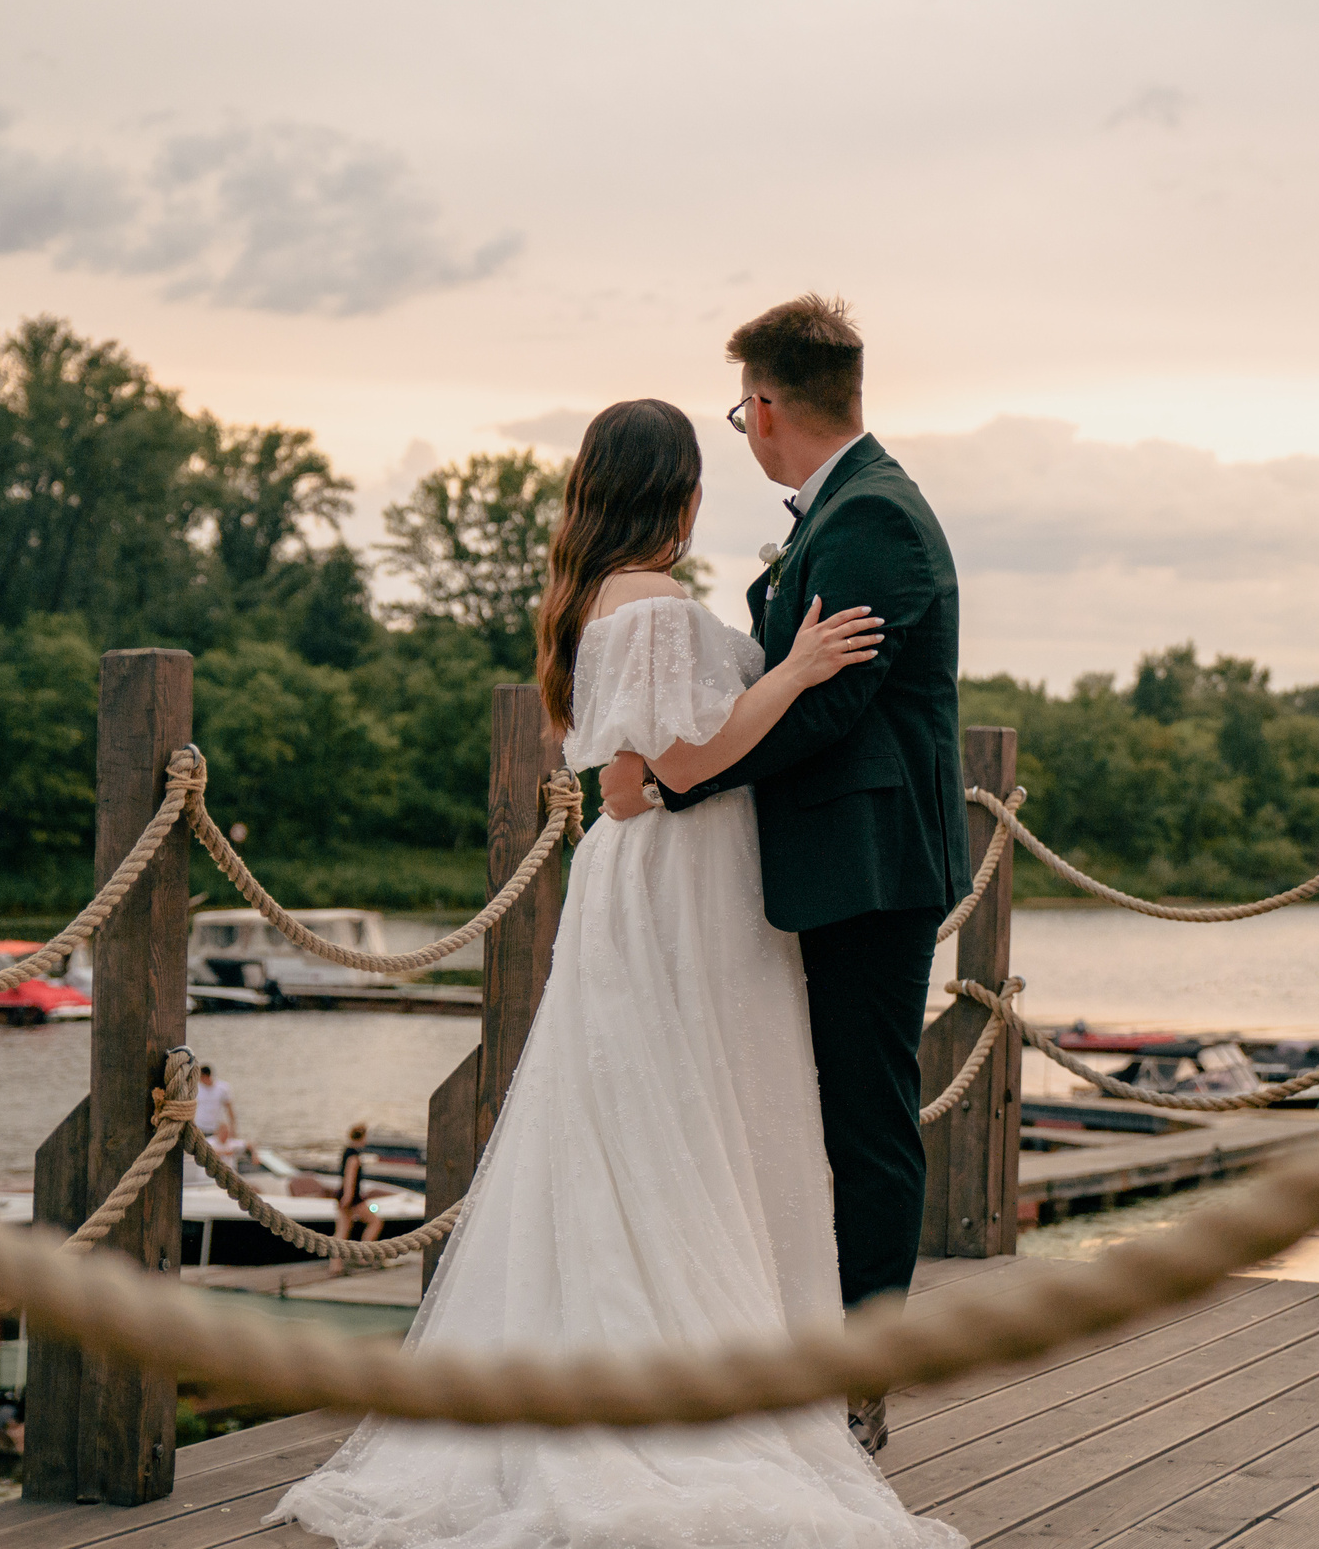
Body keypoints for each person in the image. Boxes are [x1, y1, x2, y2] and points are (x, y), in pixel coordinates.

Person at [270, 394, 962, 1549]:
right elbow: (657, 776)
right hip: (681, 890)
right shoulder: (646, 609)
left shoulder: (599, 600)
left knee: (656, 1132)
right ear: (675, 494)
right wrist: (789, 673)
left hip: (657, 890)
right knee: (691, 1129)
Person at [600, 294, 965, 1456]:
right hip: (829, 862)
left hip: (867, 868)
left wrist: (676, 782)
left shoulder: (875, 521)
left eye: (740, 405)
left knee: (865, 1120)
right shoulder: (850, 511)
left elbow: (834, 706)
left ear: (763, 408)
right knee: (817, 1111)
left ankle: (861, 1382)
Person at [326, 1122, 385, 1276]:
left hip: (346, 1196)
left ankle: (335, 1265)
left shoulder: (347, 1152)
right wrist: (348, 1197)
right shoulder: (354, 1157)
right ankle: (363, 1257)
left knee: (342, 1231)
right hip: (352, 1198)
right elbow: (350, 1178)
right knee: (375, 1222)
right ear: (362, 1138)